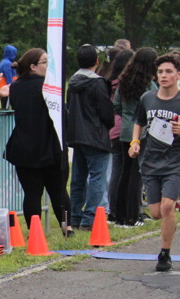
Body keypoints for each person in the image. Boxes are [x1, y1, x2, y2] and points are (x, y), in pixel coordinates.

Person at [4, 48, 68, 231]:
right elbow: (62, 115)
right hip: (50, 145)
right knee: (58, 191)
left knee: (32, 193)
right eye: (45, 62)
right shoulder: (49, 87)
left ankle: (35, 232)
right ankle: (67, 227)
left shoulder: (15, 87)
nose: (48, 66)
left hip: (24, 146)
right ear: (33, 66)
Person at [130, 52, 180, 272]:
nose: (164, 75)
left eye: (169, 71)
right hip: (151, 162)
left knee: (168, 207)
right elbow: (139, 122)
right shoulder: (147, 98)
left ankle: (164, 253)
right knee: (156, 213)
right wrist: (134, 142)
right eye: (160, 72)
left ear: (178, 75)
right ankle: (172, 207)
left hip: (175, 162)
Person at [66, 44, 114, 231]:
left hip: (77, 135)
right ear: (96, 61)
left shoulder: (73, 82)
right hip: (95, 135)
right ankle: (90, 217)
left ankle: (75, 216)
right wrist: (107, 125)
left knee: (78, 178)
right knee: (97, 177)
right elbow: (105, 111)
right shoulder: (97, 83)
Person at [114, 47, 157, 227]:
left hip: (125, 130)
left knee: (125, 172)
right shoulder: (149, 85)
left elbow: (117, 105)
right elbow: (154, 105)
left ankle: (119, 215)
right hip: (142, 131)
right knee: (137, 174)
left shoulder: (123, 81)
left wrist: (126, 118)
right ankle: (133, 215)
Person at [105, 48, 133, 223]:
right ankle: (123, 209)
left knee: (116, 170)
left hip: (113, 128)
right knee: (125, 172)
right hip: (125, 128)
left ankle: (113, 208)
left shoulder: (109, 82)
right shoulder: (127, 84)